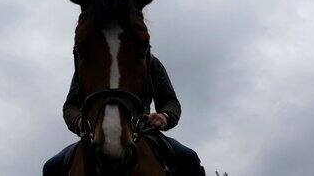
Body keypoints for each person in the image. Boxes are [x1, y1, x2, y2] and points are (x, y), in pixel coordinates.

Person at [43, 54, 206, 176]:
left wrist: (165, 116)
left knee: (189, 158)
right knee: (51, 167)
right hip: (95, 131)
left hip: (142, 130)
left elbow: (170, 101)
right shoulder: (89, 63)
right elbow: (71, 105)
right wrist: (79, 121)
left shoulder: (148, 61)